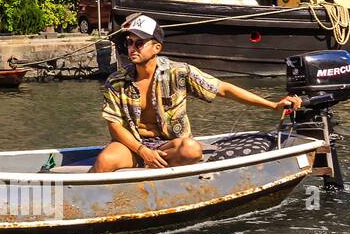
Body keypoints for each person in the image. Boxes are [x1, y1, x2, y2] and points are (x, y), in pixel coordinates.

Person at [92, 14, 303, 172]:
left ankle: (156, 171)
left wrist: (273, 105)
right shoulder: (117, 81)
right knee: (105, 160)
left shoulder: (179, 72)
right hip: (135, 146)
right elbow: (114, 125)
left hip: (170, 145)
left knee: (192, 150)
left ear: (157, 47)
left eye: (139, 43)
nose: (132, 48)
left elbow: (223, 89)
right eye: (129, 43)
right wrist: (143, 151)